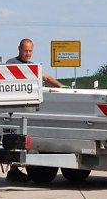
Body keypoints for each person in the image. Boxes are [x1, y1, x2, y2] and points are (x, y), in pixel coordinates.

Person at [5, 38, 66, 182]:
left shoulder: (32, 66)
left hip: (26, 109)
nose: (28, 53)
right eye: (25, 50)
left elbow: (46, 77)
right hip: (13, 109)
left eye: (30, 51)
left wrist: (61, 86)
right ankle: (13, 171)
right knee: (16, 138)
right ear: (19, 49)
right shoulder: (11, 63)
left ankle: (14, 171)